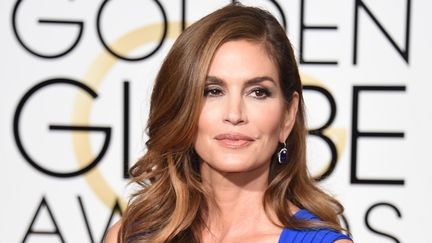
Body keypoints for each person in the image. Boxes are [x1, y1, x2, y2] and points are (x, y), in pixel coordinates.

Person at [105, 3, 353, 243]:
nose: (235, 114)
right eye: (213, 91)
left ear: (288, 115)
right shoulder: (129, 237)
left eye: (258, 92)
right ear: (183, 106)